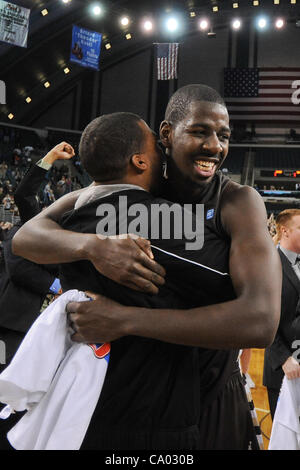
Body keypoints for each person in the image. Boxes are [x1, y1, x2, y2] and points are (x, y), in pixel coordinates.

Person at [13, 85, 282, 450]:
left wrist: (123, 319)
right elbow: (26, 235)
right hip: (136, 395)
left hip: (213, 389)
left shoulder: (236, 199)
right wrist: (95, 247)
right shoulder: (138, 187)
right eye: (200, 131)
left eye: (224, 136)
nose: (215, 146)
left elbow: (261, 320)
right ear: (167, 135)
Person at [0, 142, 75, 449]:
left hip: (50, 335)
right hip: (14, 324)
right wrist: (49, 159)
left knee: (30, 404)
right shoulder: (37, 225)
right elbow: (24, 195)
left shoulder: (78, 241)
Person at [263, 209, 300, 420]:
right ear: (285, 231)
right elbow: (261, 318)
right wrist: (284, 357)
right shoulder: (266, 264)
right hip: (283, 369)